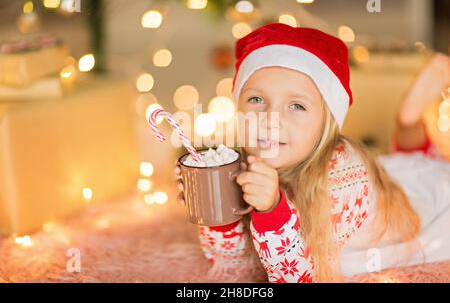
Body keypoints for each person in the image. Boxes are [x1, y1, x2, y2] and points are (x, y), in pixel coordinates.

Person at [174, 23, 450, 282]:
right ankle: (409, 125)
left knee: (428, 171)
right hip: (389, 178)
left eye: (296, 105)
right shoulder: (246, 164)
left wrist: (272, 211)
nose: (271, 118)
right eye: (256, 99)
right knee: (408, 162)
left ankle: (409, 123)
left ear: (326, 124)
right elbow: (237, 268)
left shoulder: (342, 181)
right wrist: (217, 212)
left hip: (432, 202)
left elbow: (298, 276)